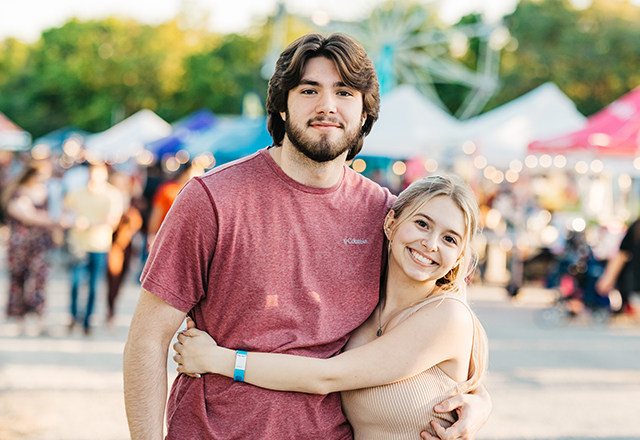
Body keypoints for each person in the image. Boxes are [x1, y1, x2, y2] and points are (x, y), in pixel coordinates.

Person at [123, 33, 491, 440]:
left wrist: (478, 400)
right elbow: (147, 340)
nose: (327, 106)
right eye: (309, 89)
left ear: (365, 113)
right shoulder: (212, 199)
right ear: (281, 104)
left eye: (345, 92)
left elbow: (442, 315)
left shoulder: (385, 215)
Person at [174, 174, 489, 439]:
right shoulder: (365, 306)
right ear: (391, 224)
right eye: (422, 223)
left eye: (450, 239)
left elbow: (325, 376)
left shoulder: (448, 316)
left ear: (459, 257)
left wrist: (217, 359)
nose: (431, 244)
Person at [64, 163, 123, 335]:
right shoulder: (77, 193)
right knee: (75, 282)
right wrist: (71, 222)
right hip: (78, 244)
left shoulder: (112, 195)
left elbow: (112, 221)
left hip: (99, 244)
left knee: (94, 285)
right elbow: (66, 211)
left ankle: (87, 321)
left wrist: (89, 224)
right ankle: (74, 316)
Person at [2, 162, 59, 335]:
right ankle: (19, 319)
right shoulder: (17, 193)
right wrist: (54, 222)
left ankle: (38, 318)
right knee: (18, 279)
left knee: (39, 278)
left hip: (40, 243)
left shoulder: (45, 193)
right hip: (20, 244)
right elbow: (27, 216)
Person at [106, 171, 143, 330]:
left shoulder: (133, 200)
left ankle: (111, 309)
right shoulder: (108, 197)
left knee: (119, 278)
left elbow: (140, 221)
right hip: (111, 243)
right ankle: (109, 310)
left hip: (127, 244)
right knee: (111, 277)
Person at [145, 160, 203, 249]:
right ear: (186, 172)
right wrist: (152, 234)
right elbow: (157, 213)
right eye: (196, 171)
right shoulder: (168, 189)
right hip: (163, 238)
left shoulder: (198, 194)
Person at [596, 219, 640, 315]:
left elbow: (622, 254)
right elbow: (623, 253)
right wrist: (608, 277)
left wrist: (608, 277)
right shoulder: (637, 226)